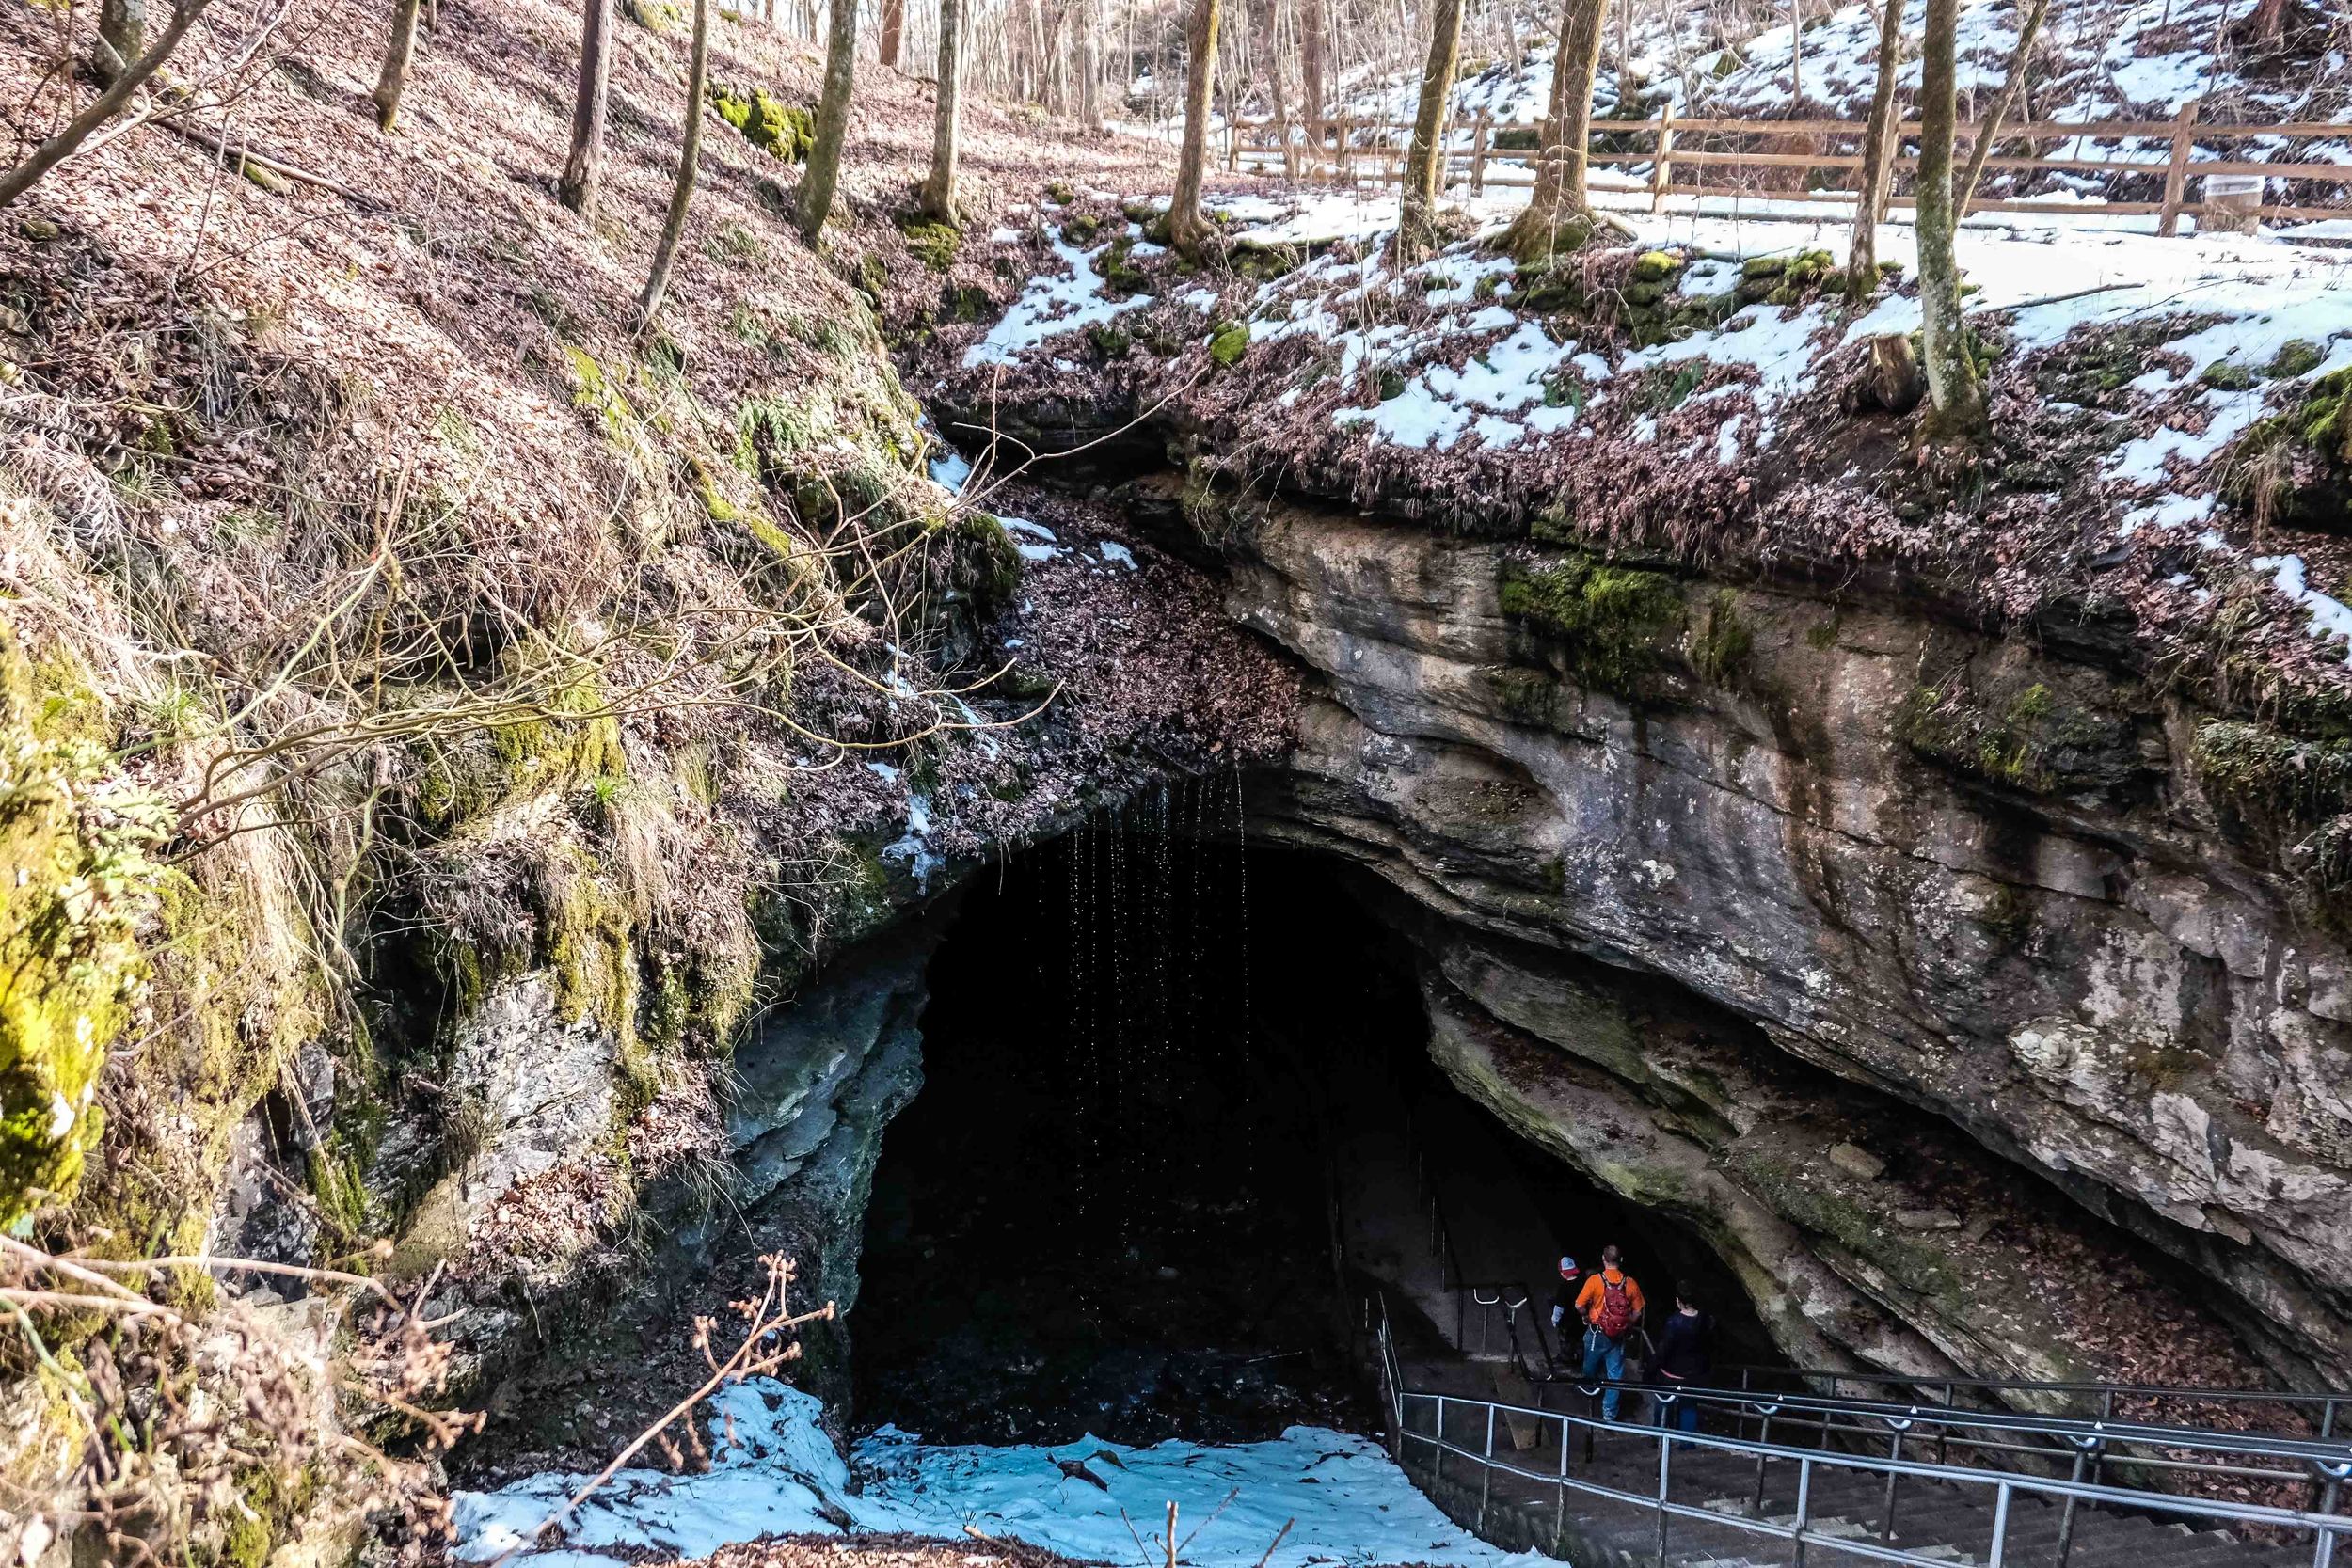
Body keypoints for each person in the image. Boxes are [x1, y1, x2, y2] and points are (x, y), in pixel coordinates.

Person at [1573, 1244, 1645, 1419]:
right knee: (1615, 1374)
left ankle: (1590, 1389)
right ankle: (1609, 1413)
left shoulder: (1595, 1280)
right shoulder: (1630, 1283)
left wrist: (1586, 1317)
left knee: (1589, 1366)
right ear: (1621, 1261)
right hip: (1618, 1336)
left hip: (1597, 1332)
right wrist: (1625, 1324)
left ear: (1603, 1259)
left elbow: (1578, 1305)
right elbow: (1638, 1311)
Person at [1651, 1290, 1713, 1447]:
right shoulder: (1706, 1320)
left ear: (1678, 1301)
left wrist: (1653, 1367)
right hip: (1695, 1373)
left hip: (1672, 1373)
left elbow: (1664, 1348)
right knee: (1689, 1407)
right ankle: (1687, 1443)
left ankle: (1658, 1438)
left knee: (1663, 1402)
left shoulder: (1674, 1322)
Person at [1549, 1256, 1581, 1339]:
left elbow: (1559, 1308)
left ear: (1562, 1273)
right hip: (1584, 1322)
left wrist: (1555, 1321)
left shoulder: (1563, 1288)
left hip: (1569, 1325)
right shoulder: (1583, 1283)